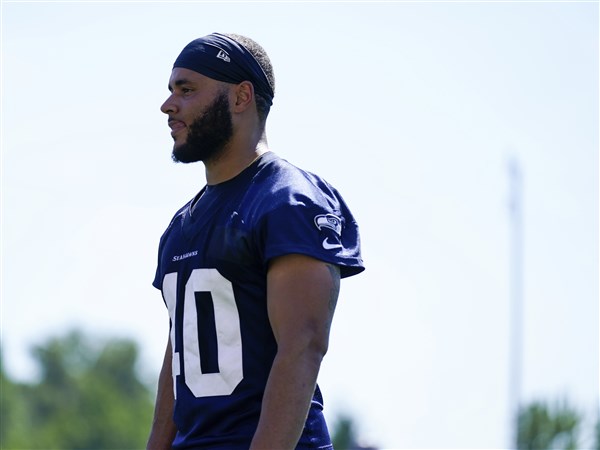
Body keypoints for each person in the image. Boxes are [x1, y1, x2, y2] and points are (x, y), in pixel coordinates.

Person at [146, 32, 365, 450]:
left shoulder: (288, 201)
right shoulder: (182, 224)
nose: (168, 105)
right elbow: (180, 361)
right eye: (171, 91)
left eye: (187, 90)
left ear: (241, 97)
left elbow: (304, 345)